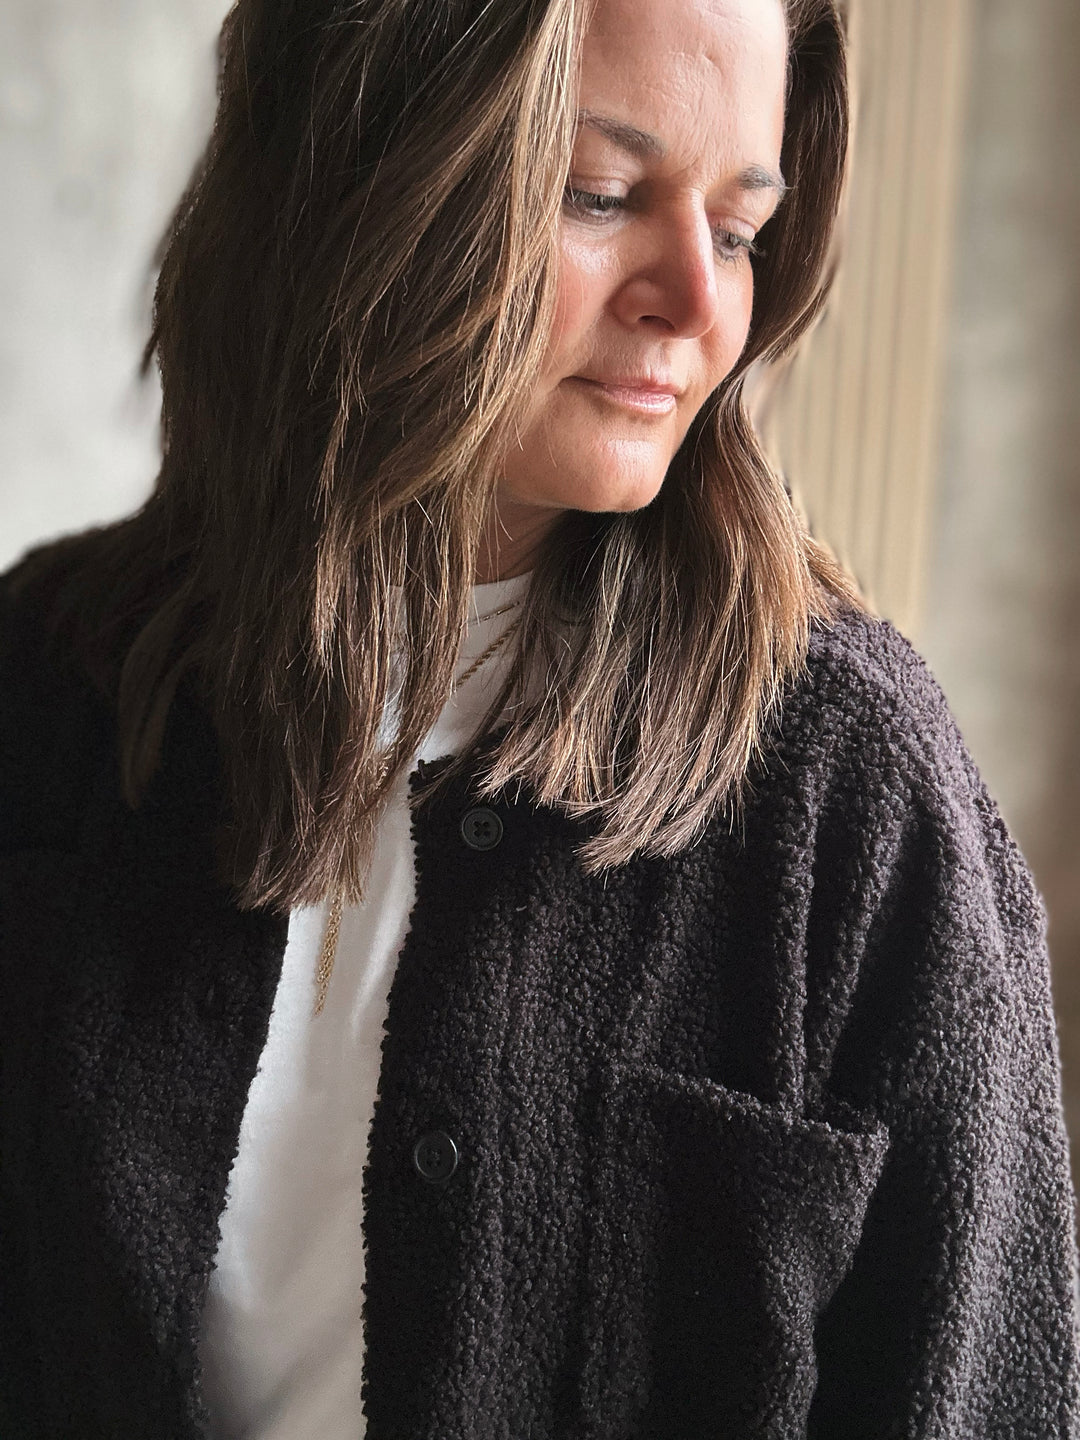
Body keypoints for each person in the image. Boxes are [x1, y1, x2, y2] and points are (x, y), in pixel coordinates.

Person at [2, 0, 1078, 1435]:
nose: (696, 301)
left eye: (740, 228)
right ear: (362, 174)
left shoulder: (859, 790)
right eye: (602, 194)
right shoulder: (51, 681)